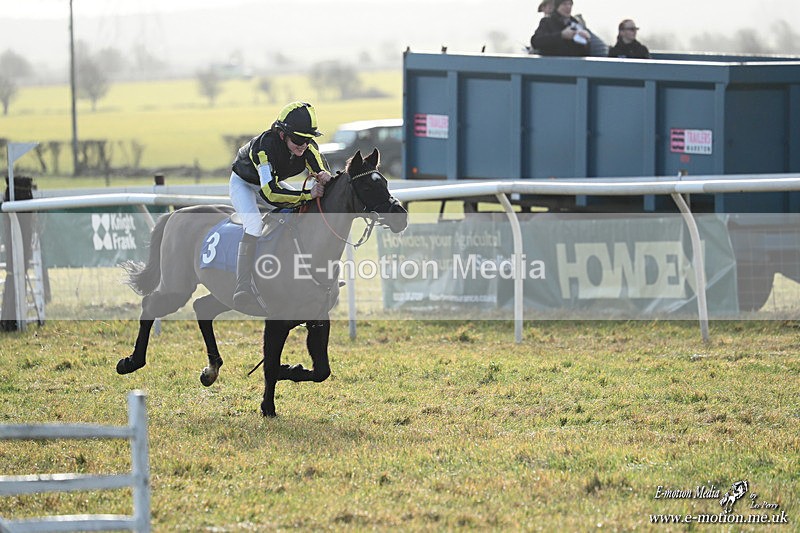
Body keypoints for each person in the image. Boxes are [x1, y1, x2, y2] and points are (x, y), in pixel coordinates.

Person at [229, 101, 332, 311]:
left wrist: (324, 176)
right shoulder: (264, 148)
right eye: (298, 140)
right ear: (282, 134)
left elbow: (319, 170)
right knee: (254, 225)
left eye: (307, 139)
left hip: (271, 183)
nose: (303, 145)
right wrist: (307, 194)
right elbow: (270, 193)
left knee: (299, 214)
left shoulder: (307, 146)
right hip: (245, 184)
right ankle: (243, 285)